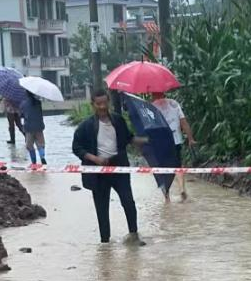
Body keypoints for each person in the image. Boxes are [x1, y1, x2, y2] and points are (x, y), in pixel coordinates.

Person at [72, 89, 148, 245]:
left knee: (128, 202)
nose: (102, 106)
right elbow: (76, 147)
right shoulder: (85, 126)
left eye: (104, 103)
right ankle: (105, 244)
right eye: (98, 104)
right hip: (98, 171)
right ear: (92, 104)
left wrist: (144, 141)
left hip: (119, 167)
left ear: (109, 102)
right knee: (102, 208)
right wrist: (94, 158)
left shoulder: (118, 121)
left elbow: (128, 138)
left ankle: (134, 235)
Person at [151, 90, 195, 201]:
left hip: (160, 143)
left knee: (163, 170)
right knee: (178, 167)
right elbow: (183, 122)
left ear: (153, 93)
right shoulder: (174, 103)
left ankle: (167, 198)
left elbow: (150, 128)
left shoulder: (151, 107)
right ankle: (181, 189)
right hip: (176, 141)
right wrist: (190, 138)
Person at [21, 89, 46, 165]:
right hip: (39, 126)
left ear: (26, 94)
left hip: (29, 128)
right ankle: (42, 157)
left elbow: (22, 115)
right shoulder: (38, 102)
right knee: (41, 144)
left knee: (29, 146)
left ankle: (34, 162)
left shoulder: (24, 104)